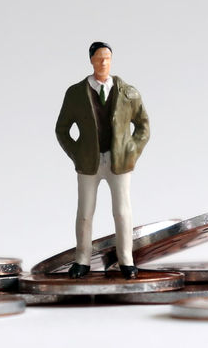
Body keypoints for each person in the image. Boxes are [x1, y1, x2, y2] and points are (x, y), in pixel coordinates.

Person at [54, 41, 150, 278]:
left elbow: (143, 126)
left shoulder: (128, 92)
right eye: (99, 58)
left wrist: (132, 151)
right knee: (85, 212)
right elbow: (62, 129)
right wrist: (77, 153)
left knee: (122, 211)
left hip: (119, 162)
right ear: (91, 60)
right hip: (89, 163)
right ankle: (82, 260)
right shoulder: (76, 93)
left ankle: (126, 260)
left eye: (107, 58)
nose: (103, 63)